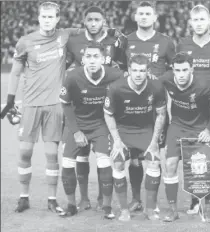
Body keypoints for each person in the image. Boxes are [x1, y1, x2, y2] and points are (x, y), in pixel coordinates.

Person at [0, 2, 82, 213]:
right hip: (31, 104)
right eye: (43, 17)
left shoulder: (64, 35)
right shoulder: (25, 42)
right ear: (38, 18)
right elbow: (16, 73)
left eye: (51, 17)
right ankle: (23, 197)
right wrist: (10, 100)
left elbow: (91, 30)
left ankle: (52, 199)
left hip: (55, 105)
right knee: (25, 152)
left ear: (57, 18)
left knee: (52, 154)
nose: (47, 20)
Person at [63, 6, 128, 211]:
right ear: (84, 21)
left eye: (97, 20)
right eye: (89, 20)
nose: (93, 23)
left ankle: (103, 197)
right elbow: (65, 66)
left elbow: (123, 67)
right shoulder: (73, 40)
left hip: (103, 113)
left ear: (104, 21)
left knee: (103, 158)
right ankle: (83, 198)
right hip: (80, 106)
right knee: (81, 156)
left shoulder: (115, 39)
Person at [176, 3, 210, 216]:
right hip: (191, 107)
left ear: (209, 22)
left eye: (202, 20)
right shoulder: (183, 44)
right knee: (193, 152)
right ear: (190, 23)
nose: (198, 24)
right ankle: (195, 198)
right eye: (195, 20)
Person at [59, 43, 123, 218]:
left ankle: (107, 207)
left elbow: (128, 85)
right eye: (88, 56)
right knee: (67, 163)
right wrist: (76, 131)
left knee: (104, 162)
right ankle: (71, 205)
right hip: (77, 124)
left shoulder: (114, 75)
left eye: (96, 57)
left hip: (101, 125)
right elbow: (65, 104)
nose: (92, 60)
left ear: (103, 59)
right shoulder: (72, 77)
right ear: (83, 58)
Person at [125, 1, 175, 212]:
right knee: (135, 157)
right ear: (135, 17)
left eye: (148, 14)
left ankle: (152, 203)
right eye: (141, 14)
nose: (144, 17)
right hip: (132, 108)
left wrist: (157, 79)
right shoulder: (126, 41)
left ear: (155, 18)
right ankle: (136, 199)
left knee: (155, 154)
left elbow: (175, 70)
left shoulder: (166, 42)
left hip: (157, 108)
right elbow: (120, 70)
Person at [103, 54, 167, 221]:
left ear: (148, 71)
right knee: (117, 161)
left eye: (142, 70)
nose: (138, 74)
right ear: (129, 71)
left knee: (154, 161)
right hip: (123, 130)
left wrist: (154, 143)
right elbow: (108, 114)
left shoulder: (157, 87)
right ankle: (124, 210)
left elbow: (161, 115)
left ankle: (150, 209)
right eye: (135, 70)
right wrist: (116, 140)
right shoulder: (116, 88)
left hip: (145, 129)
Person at [160, 52, 210, 223]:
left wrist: (209, 130)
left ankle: (206, 208)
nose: (181, 74)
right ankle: (172, 209)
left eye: (185, 70)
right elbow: (152, 84)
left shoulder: (204, 86)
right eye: (177, 70)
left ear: (192, 68)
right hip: (177, 126)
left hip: (200, 128)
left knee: (202, 168)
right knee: (169, 164)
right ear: (172, 69)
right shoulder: (166, 79)